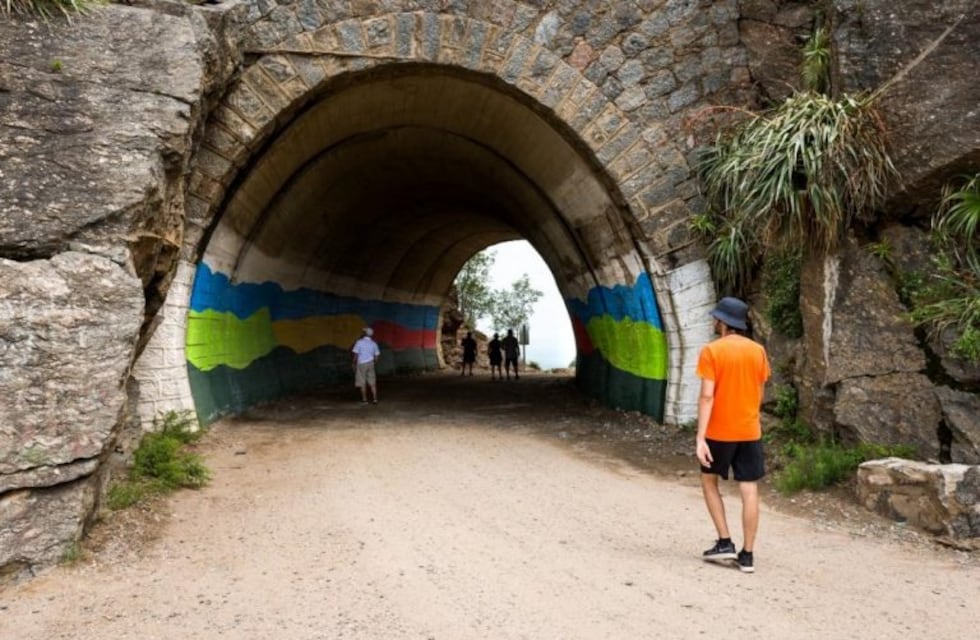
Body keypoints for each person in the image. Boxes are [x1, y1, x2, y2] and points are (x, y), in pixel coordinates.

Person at [695, 296, 770, 574]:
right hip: (750, 431)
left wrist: (700, 438)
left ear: (723, 322)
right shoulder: (758, 352)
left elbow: (707, 396)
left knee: (709, 481)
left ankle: (725, 541)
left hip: (719, 431)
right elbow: (759, 393)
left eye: (716, 318)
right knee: (749, 489)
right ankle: (747, 556)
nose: (714, 322)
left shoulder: (712, 351)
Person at [351, 327, 381, 404]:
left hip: (361, 364)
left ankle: (364, 400)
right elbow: (377, 357)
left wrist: (353, 363)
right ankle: (375, 399)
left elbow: (355, 354)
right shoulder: (374, 343)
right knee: (372, 382)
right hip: (371, 363)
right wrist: (373, 363)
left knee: (362, 382)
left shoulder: (359, 342)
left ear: (364, 334)